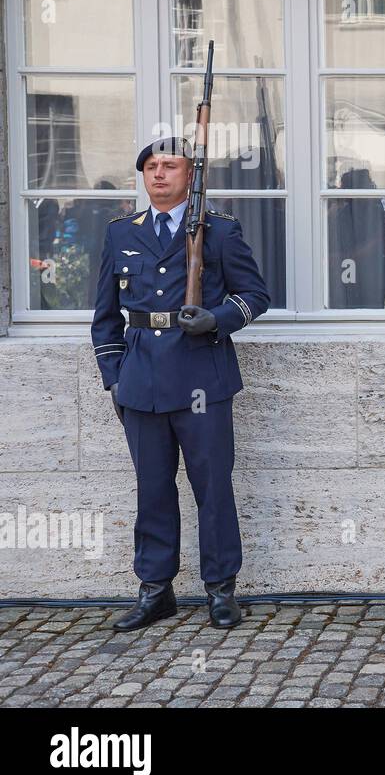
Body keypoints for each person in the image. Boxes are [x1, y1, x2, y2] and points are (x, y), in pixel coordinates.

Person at [91, 137, 269, 631]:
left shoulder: (219, 232)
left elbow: (255, 296)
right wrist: (115, 378)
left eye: (170, 166)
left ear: (190, 175)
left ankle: (220, 589)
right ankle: (155, 590)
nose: (159, 174)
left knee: (212, 488)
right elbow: (105, 316)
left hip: (201, 381)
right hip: (141, 382)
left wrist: (213, 319)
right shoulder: (120, 234)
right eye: (150, 167)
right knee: (152, 490)